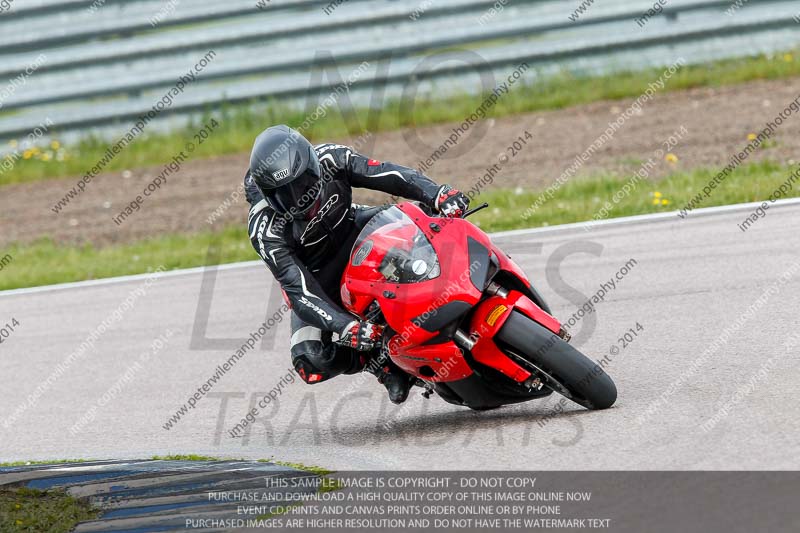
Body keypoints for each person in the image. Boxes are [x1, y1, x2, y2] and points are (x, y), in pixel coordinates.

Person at [245, 125, 470, 404]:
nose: (298, 199)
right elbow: (297, 289)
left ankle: (473, 276)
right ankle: (382, 363)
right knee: (310, 360)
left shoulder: (331, 158)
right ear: (268, 195)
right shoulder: (265, 229)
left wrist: (437, 193)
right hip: (317, 277)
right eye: (284, 194)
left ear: (313, 164)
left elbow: (389, 174)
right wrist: (344, 327)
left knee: (424, 219)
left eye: (303, 183)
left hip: (356, 229)